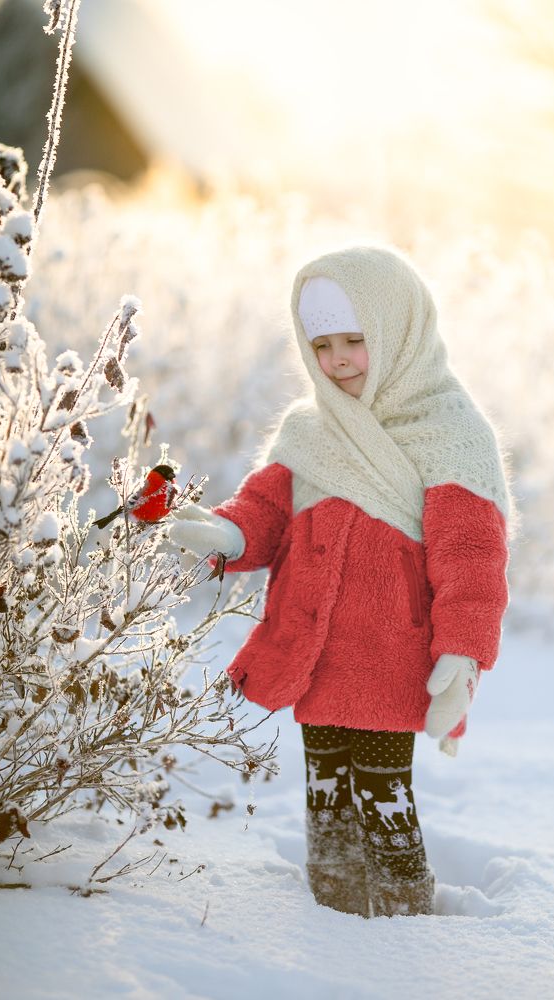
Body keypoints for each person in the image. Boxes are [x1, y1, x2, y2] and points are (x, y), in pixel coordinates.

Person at [168, 244, 515, 918]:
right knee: (325, 788)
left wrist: (462, 649)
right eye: (321, 345)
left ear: (398, 331)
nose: (338, 360)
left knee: (384, 792)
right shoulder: (310, 429)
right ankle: (331, 909)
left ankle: (404, 912)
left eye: (355, 339)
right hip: (316, 649)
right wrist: (230, 534)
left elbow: (472, 556)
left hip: (392, 654)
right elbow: (267, 508)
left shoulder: (450, 432)